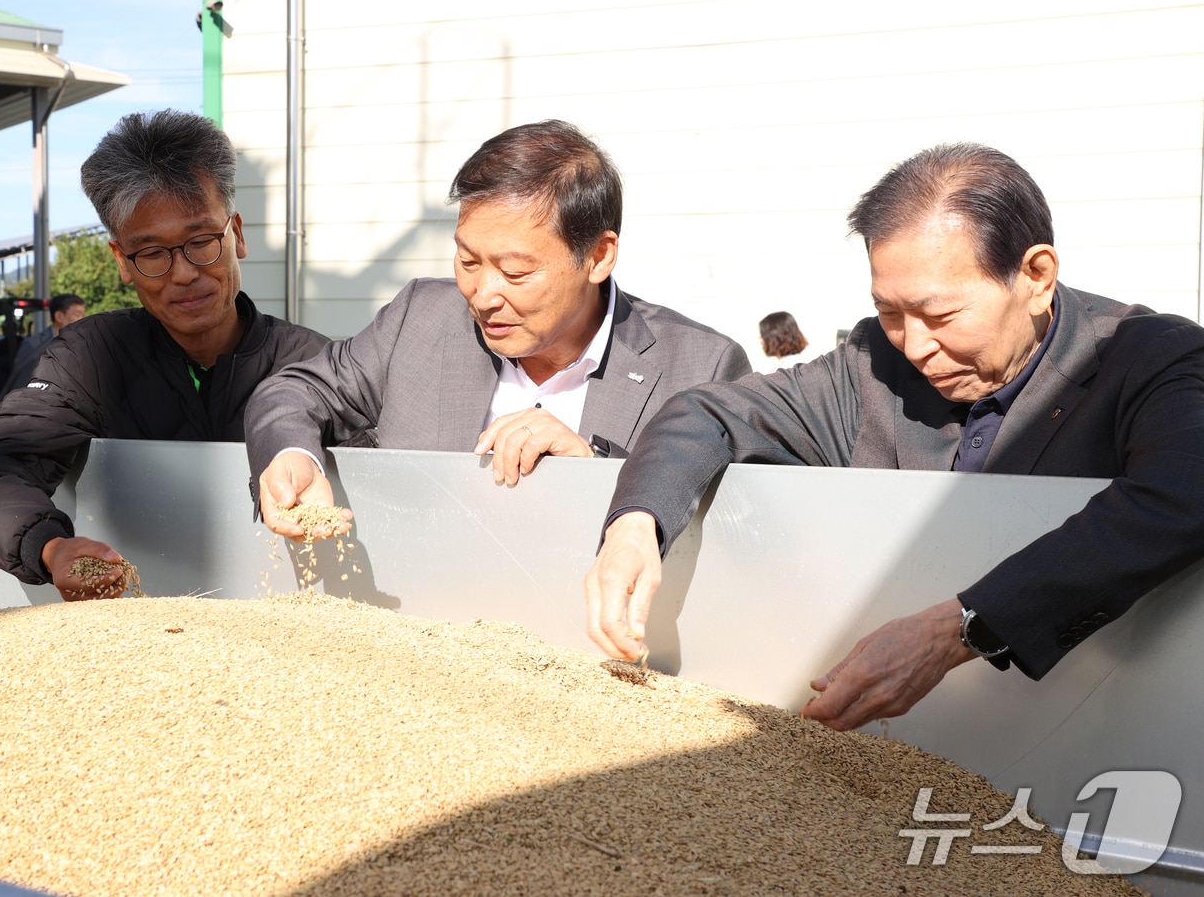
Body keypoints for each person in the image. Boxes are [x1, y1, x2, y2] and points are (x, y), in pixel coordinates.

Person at [584, 141, 1204, 731]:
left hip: (1098, 738)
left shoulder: (1151, 360)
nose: (914, 345)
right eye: (889, 311)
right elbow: (707, 413)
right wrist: (637, 524)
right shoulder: (872, 365)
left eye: (940, 315)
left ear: (1036, 275)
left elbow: (1178, 495)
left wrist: (955, 632)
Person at [247, 119, 751, 539]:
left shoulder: (700, 366)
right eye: (467, 260)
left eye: (515, 272)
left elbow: (746, 529)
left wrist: (592, 473)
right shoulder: (420, 318)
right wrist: (294, 458)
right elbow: (293, 392)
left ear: (598, 257)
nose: (483, 296)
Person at [0, 109, 329, 601]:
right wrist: (51, 547)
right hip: (134, 625)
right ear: (121, 261)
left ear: (236, 234)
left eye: (201, 242)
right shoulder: (91, 357)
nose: (183, 273)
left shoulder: (312, 363)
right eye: (152, 253)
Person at [0, 293, 87, 400]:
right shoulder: (35, 344)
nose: (82, 319)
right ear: (59, 316)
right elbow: (20, 381)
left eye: (83, 315)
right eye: (77, 314)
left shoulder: (81, 345)